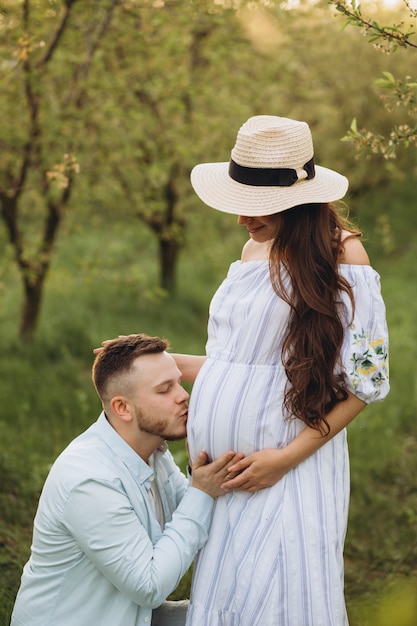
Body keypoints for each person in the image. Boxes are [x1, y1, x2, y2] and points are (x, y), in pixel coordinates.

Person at [170, 115, 390, 626]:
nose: (243, 220)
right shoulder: (252, 250)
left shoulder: (344, 255)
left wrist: (283, 460)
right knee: (230, 596)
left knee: (281, 596)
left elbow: (366, 382)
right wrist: (157, 360)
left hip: (289, 468)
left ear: (297, 200)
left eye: (257, 208)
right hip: (223, 475)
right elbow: (241, 367)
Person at [11, 333, 243, 626]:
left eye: (179, 382)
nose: (184, 395)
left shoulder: (152, 450)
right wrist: (202, 491)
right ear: (123, 408)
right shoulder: (89, 479)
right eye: (164, 389)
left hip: (129, 615)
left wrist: (202, 480)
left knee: (241, 618)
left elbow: (189, 516)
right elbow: (150, 585)